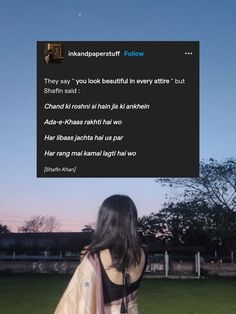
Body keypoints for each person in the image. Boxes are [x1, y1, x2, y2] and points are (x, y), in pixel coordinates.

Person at [54, 194, 147, 314]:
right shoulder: (142, 254)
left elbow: (76, 300)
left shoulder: (95, 257)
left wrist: (88, 262)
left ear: (105, 220)